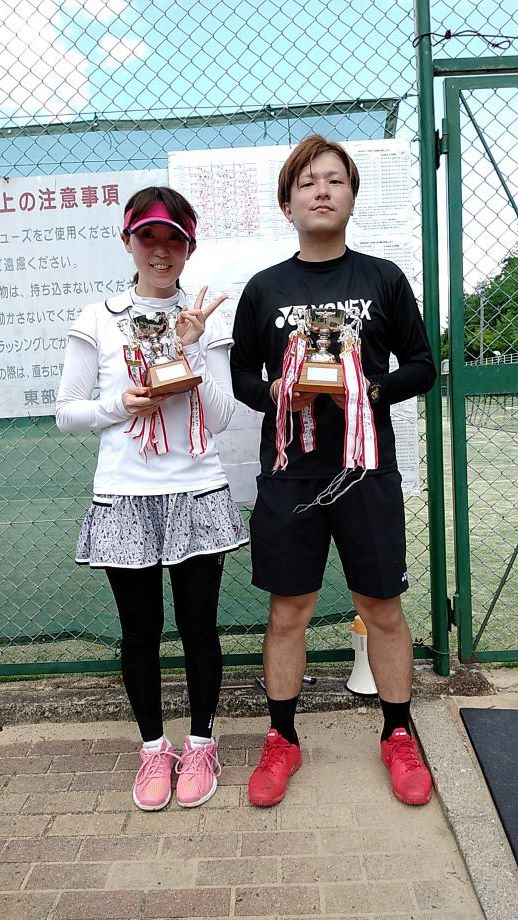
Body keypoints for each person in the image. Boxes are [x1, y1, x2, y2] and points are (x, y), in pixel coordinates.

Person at [230, 135, 436, 809]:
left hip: (365, 470)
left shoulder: (382, 279)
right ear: (286, 204)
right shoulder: (265, 289)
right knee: (290, 608)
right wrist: (279, 392)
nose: (322, 191)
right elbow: (241, 377)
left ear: (352, 196)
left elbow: (422, 366)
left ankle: (398, 733)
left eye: (335, 180)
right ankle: (282, 738)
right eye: (307, 182)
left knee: (381, 606)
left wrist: (371, 391)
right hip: (291, 474)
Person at [56, 186, 248, 812]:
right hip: (126, 496)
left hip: (196, 490)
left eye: (174, 239)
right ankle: (153, 749)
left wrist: (190, 346)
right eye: (149, 237)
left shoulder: (203, 318)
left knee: (198, 628)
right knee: (139, 631)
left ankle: (201, 744)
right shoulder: (98, 318)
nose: (161, 251)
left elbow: (220, 418)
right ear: (128, 240)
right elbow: (67, 412)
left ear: (189, 247)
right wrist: (120, 405)